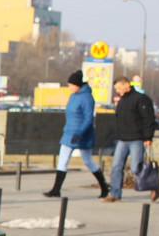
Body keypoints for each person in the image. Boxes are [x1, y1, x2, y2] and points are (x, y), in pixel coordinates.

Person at [43, 70, 109, 198]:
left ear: (78, 85)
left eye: (71, 85)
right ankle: (56, 190)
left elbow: (88, 119)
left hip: (82, 134)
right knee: (62, 161)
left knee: (88, 161)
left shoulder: (87, 98)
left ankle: (104, 186)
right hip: (69, 133)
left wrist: (79, 133)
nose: (70, 88)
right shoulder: (73, 96)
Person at [104, 75, 157, 202]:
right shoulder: (122, 101)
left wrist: (148, 137)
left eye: (118, 88)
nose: (117, 91)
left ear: (126, 85)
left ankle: (153, 187)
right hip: (122, 139)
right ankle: (115, 194)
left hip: (137, 139)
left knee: (136, 168)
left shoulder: (141, 99)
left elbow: (148, 119)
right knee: (116, 166)